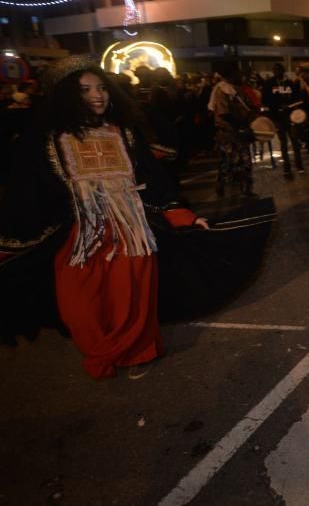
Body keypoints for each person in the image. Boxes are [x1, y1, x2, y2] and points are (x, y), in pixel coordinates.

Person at [0, 57, 209, 378]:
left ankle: (138, 352)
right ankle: (102, 352)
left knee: (134, 298)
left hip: (131, 232)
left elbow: (154, 178)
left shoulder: (124, 133)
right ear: (66, 96)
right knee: (79, 305)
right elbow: (27, 192)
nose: (97, 95)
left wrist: (182, 215)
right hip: (77, 237)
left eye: (101, 88)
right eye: (84, 90)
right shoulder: (45, 139)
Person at [207, 61, 256, 197]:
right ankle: (221, 184)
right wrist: (240, 126)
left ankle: (246, 189)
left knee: (245, 161)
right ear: (230, 74)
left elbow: (247, 107)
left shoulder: (238, 88)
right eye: (237, 71)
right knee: (227, 163)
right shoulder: (221, 89)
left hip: (240, 131)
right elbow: (224, 113)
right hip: (227, 133)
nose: (240, 74)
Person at [262, 63, 305, 177]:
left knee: (295, 141)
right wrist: (275, 109)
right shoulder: (269, 84)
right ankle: (287, 166)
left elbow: (297, 99)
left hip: (291, 117)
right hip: (278, 118)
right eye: (274, 69)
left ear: (283, 70)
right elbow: (265, 101)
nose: (276, 71)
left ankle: (299, 164)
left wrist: (290, 106)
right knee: (283, 142)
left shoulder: (290, 84)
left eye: (278, 69)